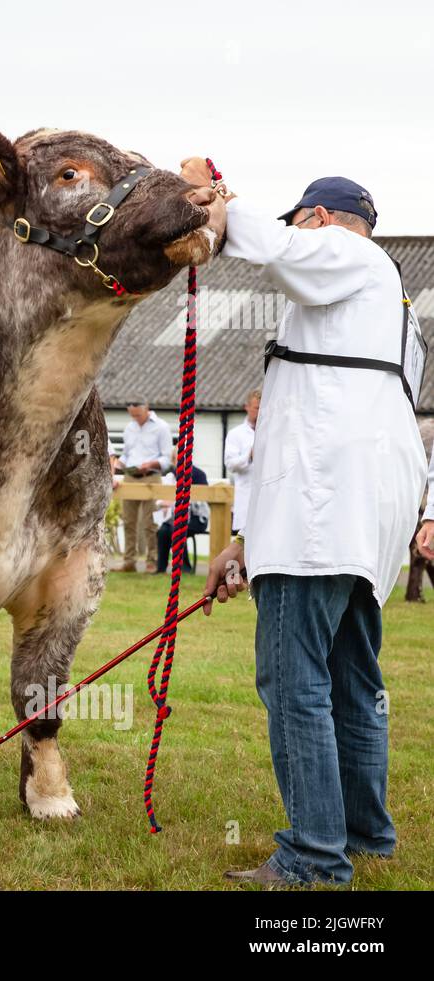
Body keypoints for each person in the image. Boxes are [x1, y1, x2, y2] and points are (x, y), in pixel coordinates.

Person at [191, 164, 427, 888]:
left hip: (322, 506)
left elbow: (279, 250)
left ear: (319, 220)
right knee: (353, 678)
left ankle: (313, 859)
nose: (295, 235)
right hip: (357, 510)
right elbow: (297, 424)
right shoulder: (395, 311)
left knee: (294, 681)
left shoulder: (351, 254)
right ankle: (364, 833)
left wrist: (217, 206)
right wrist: (244, 541)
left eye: (300, 222)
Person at [113, 400, 171, 572]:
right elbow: (126, 454)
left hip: (151, 477)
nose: (135, 418)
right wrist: (117, 465)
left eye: (138, 415)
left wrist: (150, 464)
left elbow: (167, 458)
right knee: (129, 521)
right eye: (132, 415)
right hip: (130, 477)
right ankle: (129, 561)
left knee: (150, 522)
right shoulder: (129, 428)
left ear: (147, 409)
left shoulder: (161, 427)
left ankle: (151, 561)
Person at [153, 446, 209, 574]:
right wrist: (169, 503)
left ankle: (185, 568)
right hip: (174, 517)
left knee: (177, 529)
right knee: (163, 531)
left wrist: (173, 503)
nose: (179, 460)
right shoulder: (170, 476)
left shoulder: (199, 475)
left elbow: (200, 502)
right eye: (176, 458)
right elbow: (160, 500)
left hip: (197, 518)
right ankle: (160, 568)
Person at [223, 388, 260, 534]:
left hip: (268, 497)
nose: (260, 411)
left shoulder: (274, 432)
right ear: (247, 407)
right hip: (246, 496)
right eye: (257, 408)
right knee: (244, 541)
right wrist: (249, 456)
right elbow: (230, 464)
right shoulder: (236, 434)